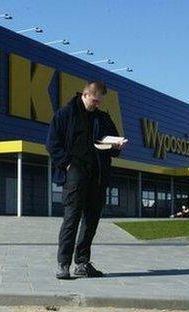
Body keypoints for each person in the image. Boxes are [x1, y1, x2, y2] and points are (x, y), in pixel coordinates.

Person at [46, 81, 127, 280]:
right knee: (71, 219)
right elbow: (52, 144)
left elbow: (113, 143)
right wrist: (67, 164)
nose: (97, 104)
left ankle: (82, 263)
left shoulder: (103, 117)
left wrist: (116, 145)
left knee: (91, 221)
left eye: (100, 100)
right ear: (85, 94)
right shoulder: (65, 114)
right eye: (94, 99)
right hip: (74, 173)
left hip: (98, 175)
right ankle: (63, 264)